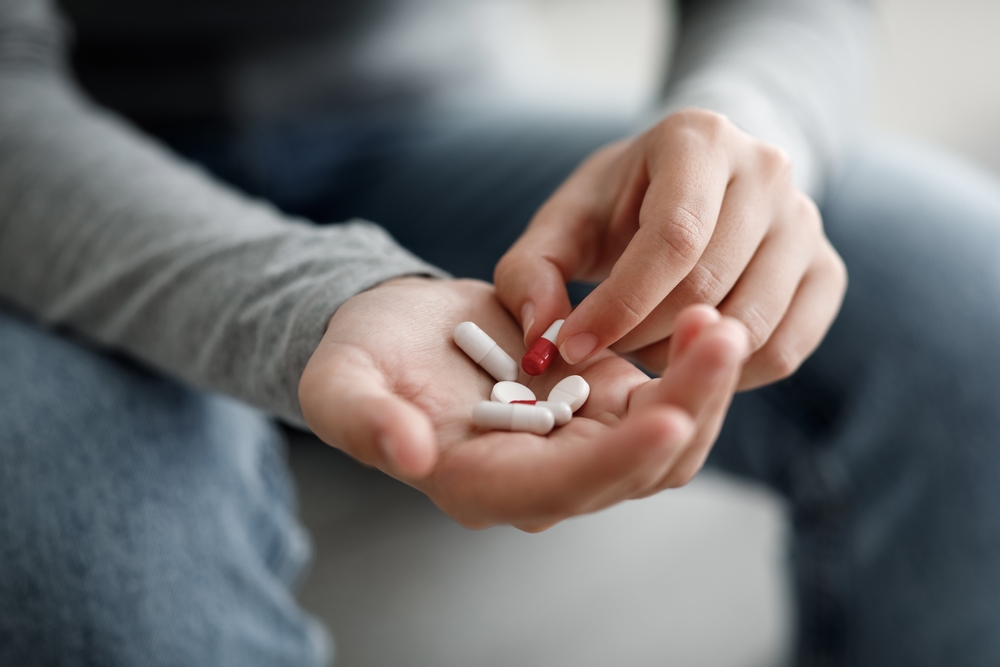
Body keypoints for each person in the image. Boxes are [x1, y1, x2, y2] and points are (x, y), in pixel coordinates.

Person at [1, 0, 999, 665]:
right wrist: (319, 301)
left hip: (402, 118)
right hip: (37, 178)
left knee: (971, 316)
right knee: (103, 562)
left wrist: (742, 127)